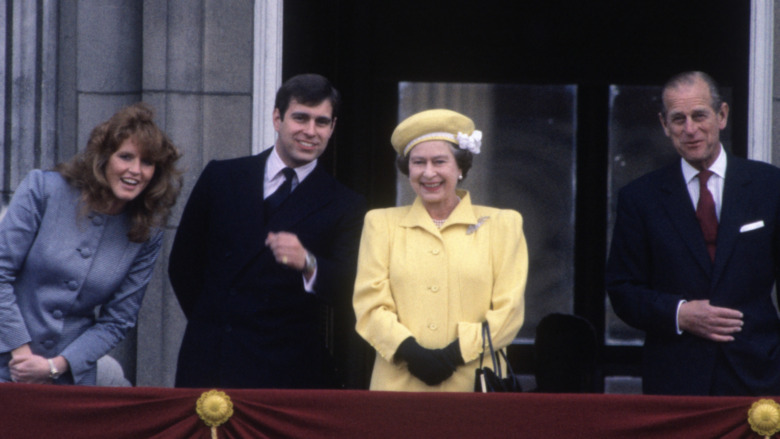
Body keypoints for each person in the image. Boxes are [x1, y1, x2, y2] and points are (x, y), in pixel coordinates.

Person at [170, 73, 366, 389]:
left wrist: (308, 262)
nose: (310, 131)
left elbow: (352, 288)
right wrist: (217, 323)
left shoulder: (346, 204)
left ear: (333, 128)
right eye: (300, 118)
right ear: (277, 118)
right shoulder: (222, 177)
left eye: (321, 122)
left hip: (288, 368)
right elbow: (182, 265)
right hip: (212, 359)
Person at [606, 71, 780, 396]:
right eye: (678, 119)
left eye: (699, 115)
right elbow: (622, 290)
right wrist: (681, 314)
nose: (690, 129)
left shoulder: (770, 185)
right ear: (664, 125)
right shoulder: (640, 198)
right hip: (676, 380)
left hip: (760, 374)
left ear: (722, 115)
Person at [0, 102, 182, 385]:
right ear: (104, 157)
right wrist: (21, 355)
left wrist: (55, 366)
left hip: (69, 378)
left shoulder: (147, 231)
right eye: (126, 157)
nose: (136, 170)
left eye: (147, 162)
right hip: (7, 363)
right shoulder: (43, 189)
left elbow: (118, 320)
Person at [353, 109, 528, 391]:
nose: (428, 172)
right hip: (398, 387)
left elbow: (509, 313)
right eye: (418, 162)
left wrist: (454, 355)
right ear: (407, 169)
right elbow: (369, 306)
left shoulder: (503, 225)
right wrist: (411, 353)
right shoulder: (380, 224)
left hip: (474, 385)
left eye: (439, 161)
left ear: (460, 168)